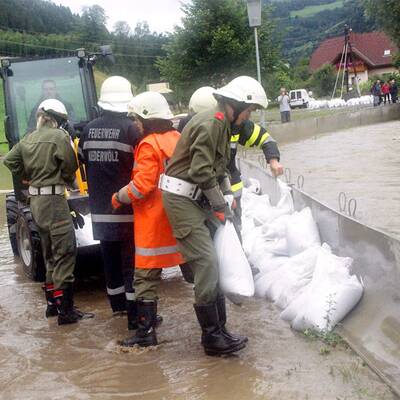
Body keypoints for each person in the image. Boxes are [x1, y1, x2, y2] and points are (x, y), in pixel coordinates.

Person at [161, 76, 268, 356]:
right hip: (182, 199)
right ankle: (211, 338)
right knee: (207, 262)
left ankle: (220, 329)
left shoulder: (222, 123)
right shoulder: (212, 123)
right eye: (249, 110)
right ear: (236, 105)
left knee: (217, 260)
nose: (249, 117)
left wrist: (225, 199)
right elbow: (199, 171)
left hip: (197, 197)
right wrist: (220, 204)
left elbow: (218, 169)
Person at [4, 99, 93, 325]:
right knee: (65, 251)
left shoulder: (27, 139)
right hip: (53, 201)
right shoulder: (59, 137)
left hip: (35, 202)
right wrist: (62, 178)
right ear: (57, 119)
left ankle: (52, 305)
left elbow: (10, 161)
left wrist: (27, 176)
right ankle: (66, 311)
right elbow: (71, 165)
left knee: (49, 252)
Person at [111, 92, 184, 347]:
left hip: (153, 224)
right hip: (178, 219)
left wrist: (119, 196)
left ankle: (146, 334)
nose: (134, 125)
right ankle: (214, 326)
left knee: (144, 280)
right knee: (195, 273)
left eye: (135, 119)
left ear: (146, 118)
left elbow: (141, 186)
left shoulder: (148, 145)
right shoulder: (176, 139)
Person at [178, 86, 283, 238]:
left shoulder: (237, 125)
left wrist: (273, 161)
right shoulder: (191, 126)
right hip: (200, 190)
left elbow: (264, 138)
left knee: (233, 229)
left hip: (229, 188)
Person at [78, 76, 140, 330]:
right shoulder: (131, 130)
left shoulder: (88, 129)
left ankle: (116, 308)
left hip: (100, 212)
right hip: (126, 210)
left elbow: (82, 160)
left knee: (110, 262)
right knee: (131, 264)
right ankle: (135, 314)